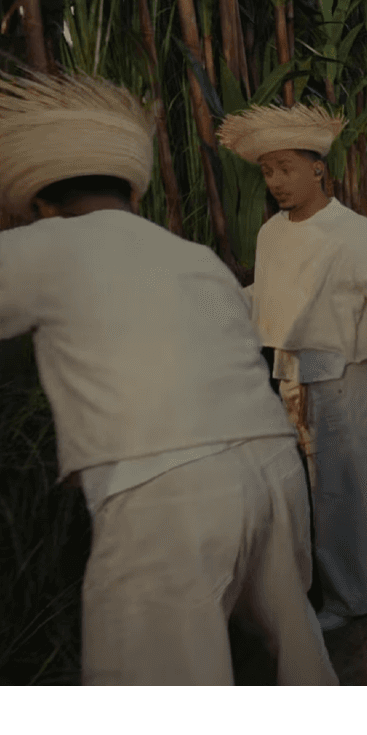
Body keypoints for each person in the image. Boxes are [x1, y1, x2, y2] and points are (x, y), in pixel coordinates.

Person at [0, 71, 337, 684]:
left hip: (166, 488)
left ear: (41, 204)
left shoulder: (42, 246)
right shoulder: (193, 256)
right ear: (131, 192)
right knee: (296, 649)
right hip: (272, 470)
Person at [217, 103, 367, 632]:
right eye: (267, 171)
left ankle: (355, 597)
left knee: (337, 488)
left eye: (286, 168)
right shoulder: (271, 234)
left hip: (341, 376)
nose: (276, 181)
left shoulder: (350, 231)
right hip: (292, 372)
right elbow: (268, 296)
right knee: (343, 480)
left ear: (317, 168)